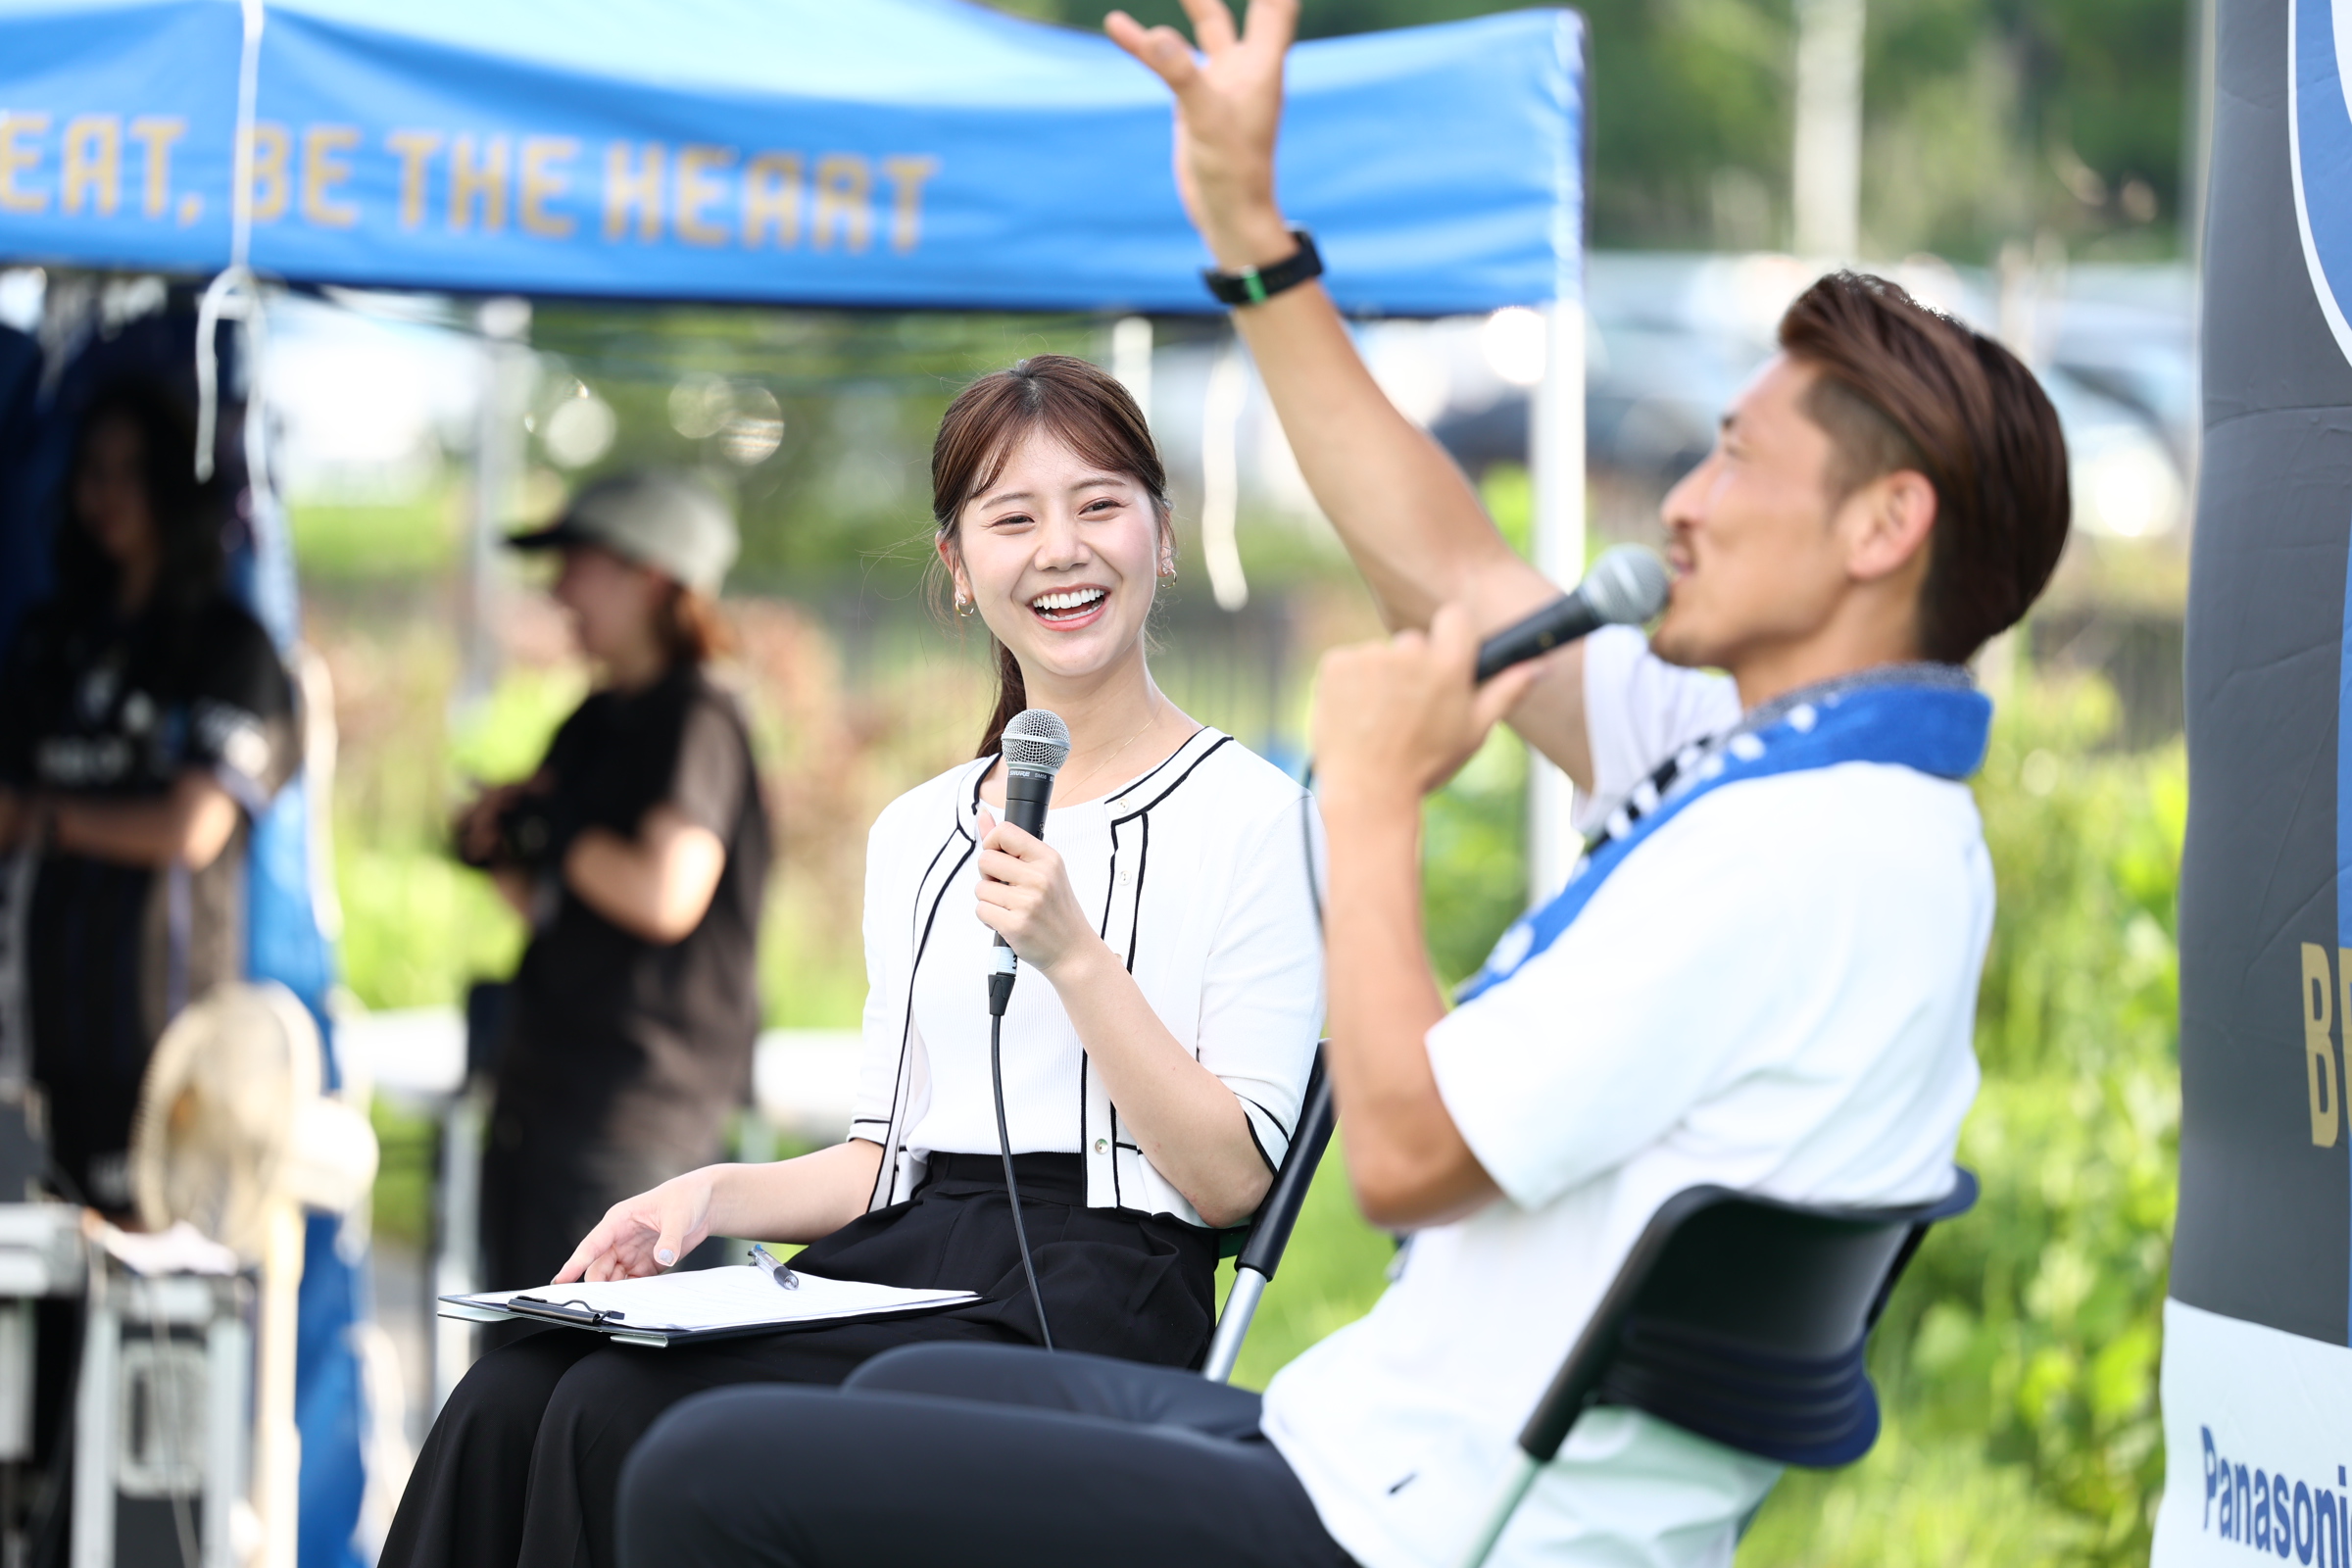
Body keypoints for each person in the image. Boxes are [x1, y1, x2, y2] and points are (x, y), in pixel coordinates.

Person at [608, 3, 2074, 1566]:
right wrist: (1250, 236)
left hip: (1427, 1528)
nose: (1687, 504)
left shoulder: (1797, 855)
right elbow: (1449, 567)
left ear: (1881, 527)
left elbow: (1403, 1160)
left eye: (1737, 461)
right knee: (899, 1382)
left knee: (707, 1471)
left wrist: (1368, 811)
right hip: (1367, 1447)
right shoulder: (1776, 762)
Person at [379, 356, 1324, 1568]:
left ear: (1162, 531)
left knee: (618, 1415)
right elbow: (887, 1161)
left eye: (1098, 505)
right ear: (958, 566)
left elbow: (1235, 1180)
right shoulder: (919, 828)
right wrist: (706, 1196)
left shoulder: (1257, 817)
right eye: (1013, 518)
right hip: (909, 1257)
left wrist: (1074, 957)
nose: (1062, 550)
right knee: (516, 1391)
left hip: (1100, 1286)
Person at [456, 471, 771, 1302]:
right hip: (544, 1099)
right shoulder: (595, 719)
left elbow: (665, 892)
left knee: (597, 1391)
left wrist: (559, 825)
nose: (557, 589)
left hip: (632, 1120)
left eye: (579, 563)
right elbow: (561, 906)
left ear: (654, 575)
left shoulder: (698, 716)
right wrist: (503, 848)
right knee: (523, 1375)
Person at [0, 378, 296, 1212]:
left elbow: (191, 827)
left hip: (168, 1041)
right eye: (92, 470)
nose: (107, 493)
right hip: (36, 1031)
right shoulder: (47, 639)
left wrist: (45, 821)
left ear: (174, 486)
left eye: (132, 470)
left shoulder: (231, 648)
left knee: (149, 1296)